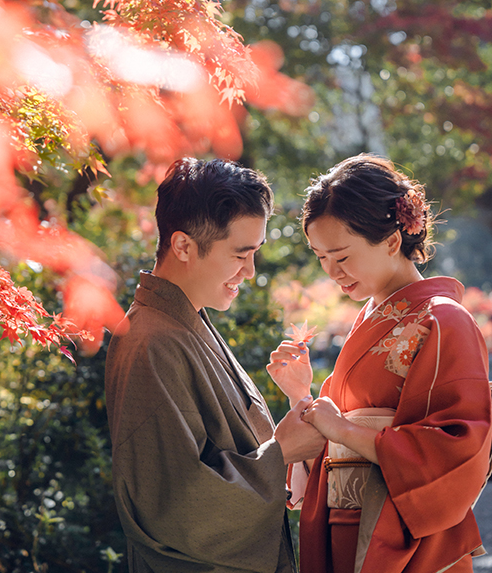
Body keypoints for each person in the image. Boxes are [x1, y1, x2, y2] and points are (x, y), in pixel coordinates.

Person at [267, 154, 492, 573]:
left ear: (391, 241)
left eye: (342, 256)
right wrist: (302, 394)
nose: (332, 272)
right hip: (345, 528)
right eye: (320, 257)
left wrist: (344, 429)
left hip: (405, 539)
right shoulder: (369, 320)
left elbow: (460, 442)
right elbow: (331, 440)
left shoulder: (443, 320)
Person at [105, 157, 326, 572]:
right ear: (183, 246)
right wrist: (284, 451)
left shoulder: (186, 321)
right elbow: (174, 506)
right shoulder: (150, 342)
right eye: (240, 254)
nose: (251, 270)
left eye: (256, 252)